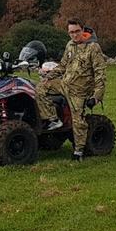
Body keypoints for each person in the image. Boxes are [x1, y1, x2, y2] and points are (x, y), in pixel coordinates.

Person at [36, 19, 107, 161]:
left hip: (80, 91)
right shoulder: (70, 45)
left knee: (78, 121)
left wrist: (97, 96)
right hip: (65, 84)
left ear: (83, 31)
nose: (74, 35)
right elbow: (63, 65)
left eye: (77, 31)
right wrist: (48, 76)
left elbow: (100, 73)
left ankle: (79, 151)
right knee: (39, 89)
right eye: (71, 32)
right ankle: (52, 119)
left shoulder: (93, 47)